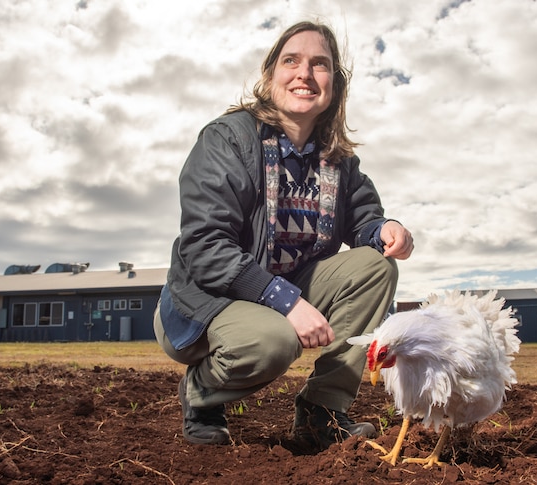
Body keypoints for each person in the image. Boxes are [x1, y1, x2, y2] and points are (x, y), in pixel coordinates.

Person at [154, 20, 414, 449]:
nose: (305, 74)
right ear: (270, 75)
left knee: (375, 267)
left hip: (282, 289)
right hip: (207, 301)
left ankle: (321, 413)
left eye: (320, 64)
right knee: (273, 341)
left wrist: (386, 229)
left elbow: (363, 219)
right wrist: (288, 304)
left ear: (335, 83)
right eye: (291, 61)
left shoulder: (338, 159)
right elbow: (205, 246)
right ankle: (201, 394)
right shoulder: (230, 139)